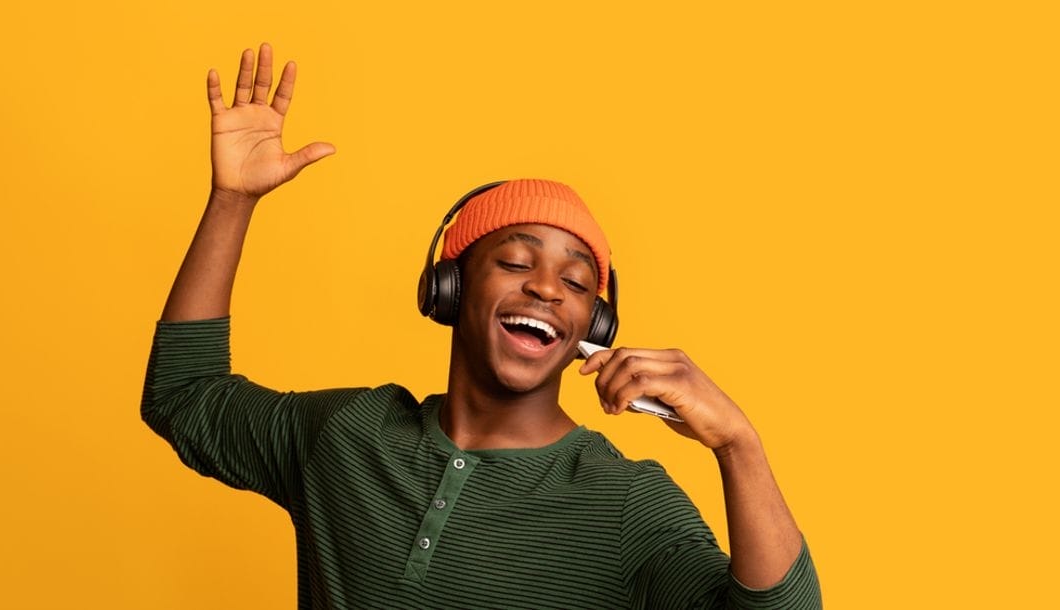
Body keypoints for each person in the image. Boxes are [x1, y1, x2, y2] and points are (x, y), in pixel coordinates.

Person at [142, 43, 822, 609]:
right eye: (517, 260)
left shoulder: (624, 501)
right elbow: (183, 395)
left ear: (595, 323)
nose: (547, 288)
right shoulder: (346, 437)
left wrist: (739, 446)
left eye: (578, 282)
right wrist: (231, 202)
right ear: (450, 287)